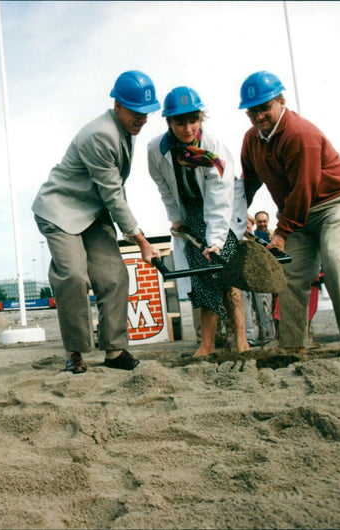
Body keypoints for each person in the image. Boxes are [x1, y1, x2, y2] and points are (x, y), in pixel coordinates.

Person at [32, 70, 161, 374]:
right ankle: (75, 352)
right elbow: (113, 194)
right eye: (136, 112)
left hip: (93, 212)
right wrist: (140, 239)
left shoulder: (126, 131)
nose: (142, 119)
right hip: (60, 210)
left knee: (114, 277)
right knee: (74, 277)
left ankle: (114, 351)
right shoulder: (100, 134)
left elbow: (112, 192)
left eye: (146, 113)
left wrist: (132, 232)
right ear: (118, 105)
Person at [239, 71, 340, 355]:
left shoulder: (301, 134)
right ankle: (292, 343)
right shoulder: (251, 140)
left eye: (264, 108)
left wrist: (282, 233)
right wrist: (235, 222)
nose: (259, 116)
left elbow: (303, 189)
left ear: (281, 102)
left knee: (336, 260)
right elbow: (247, 185)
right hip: (297, 212)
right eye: (252, 111)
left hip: (335, 204)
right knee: (290, 271)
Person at [148, 85, 249, 358]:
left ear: (201, 119)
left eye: (193, 120)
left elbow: (220, 196)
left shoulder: (212, 148)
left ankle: (242, 341)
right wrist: (177, 219)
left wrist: (216, 241)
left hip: (222, 210)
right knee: (202, 277)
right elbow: (165, 188)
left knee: (225, 271)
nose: (188, 128)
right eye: (180, 122)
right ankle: (207, 344)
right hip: (191, 213)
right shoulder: (155, 150)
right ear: (169, 121)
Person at [243, 217, 276, 347]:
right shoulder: (235, 242)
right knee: (246, 309)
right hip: (243, 279)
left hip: (261, 277)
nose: (246, 228)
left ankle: (269, 337)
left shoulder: (261, 238)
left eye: (248, 225)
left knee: (265, 308)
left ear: (252, 225)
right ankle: (249, 338)